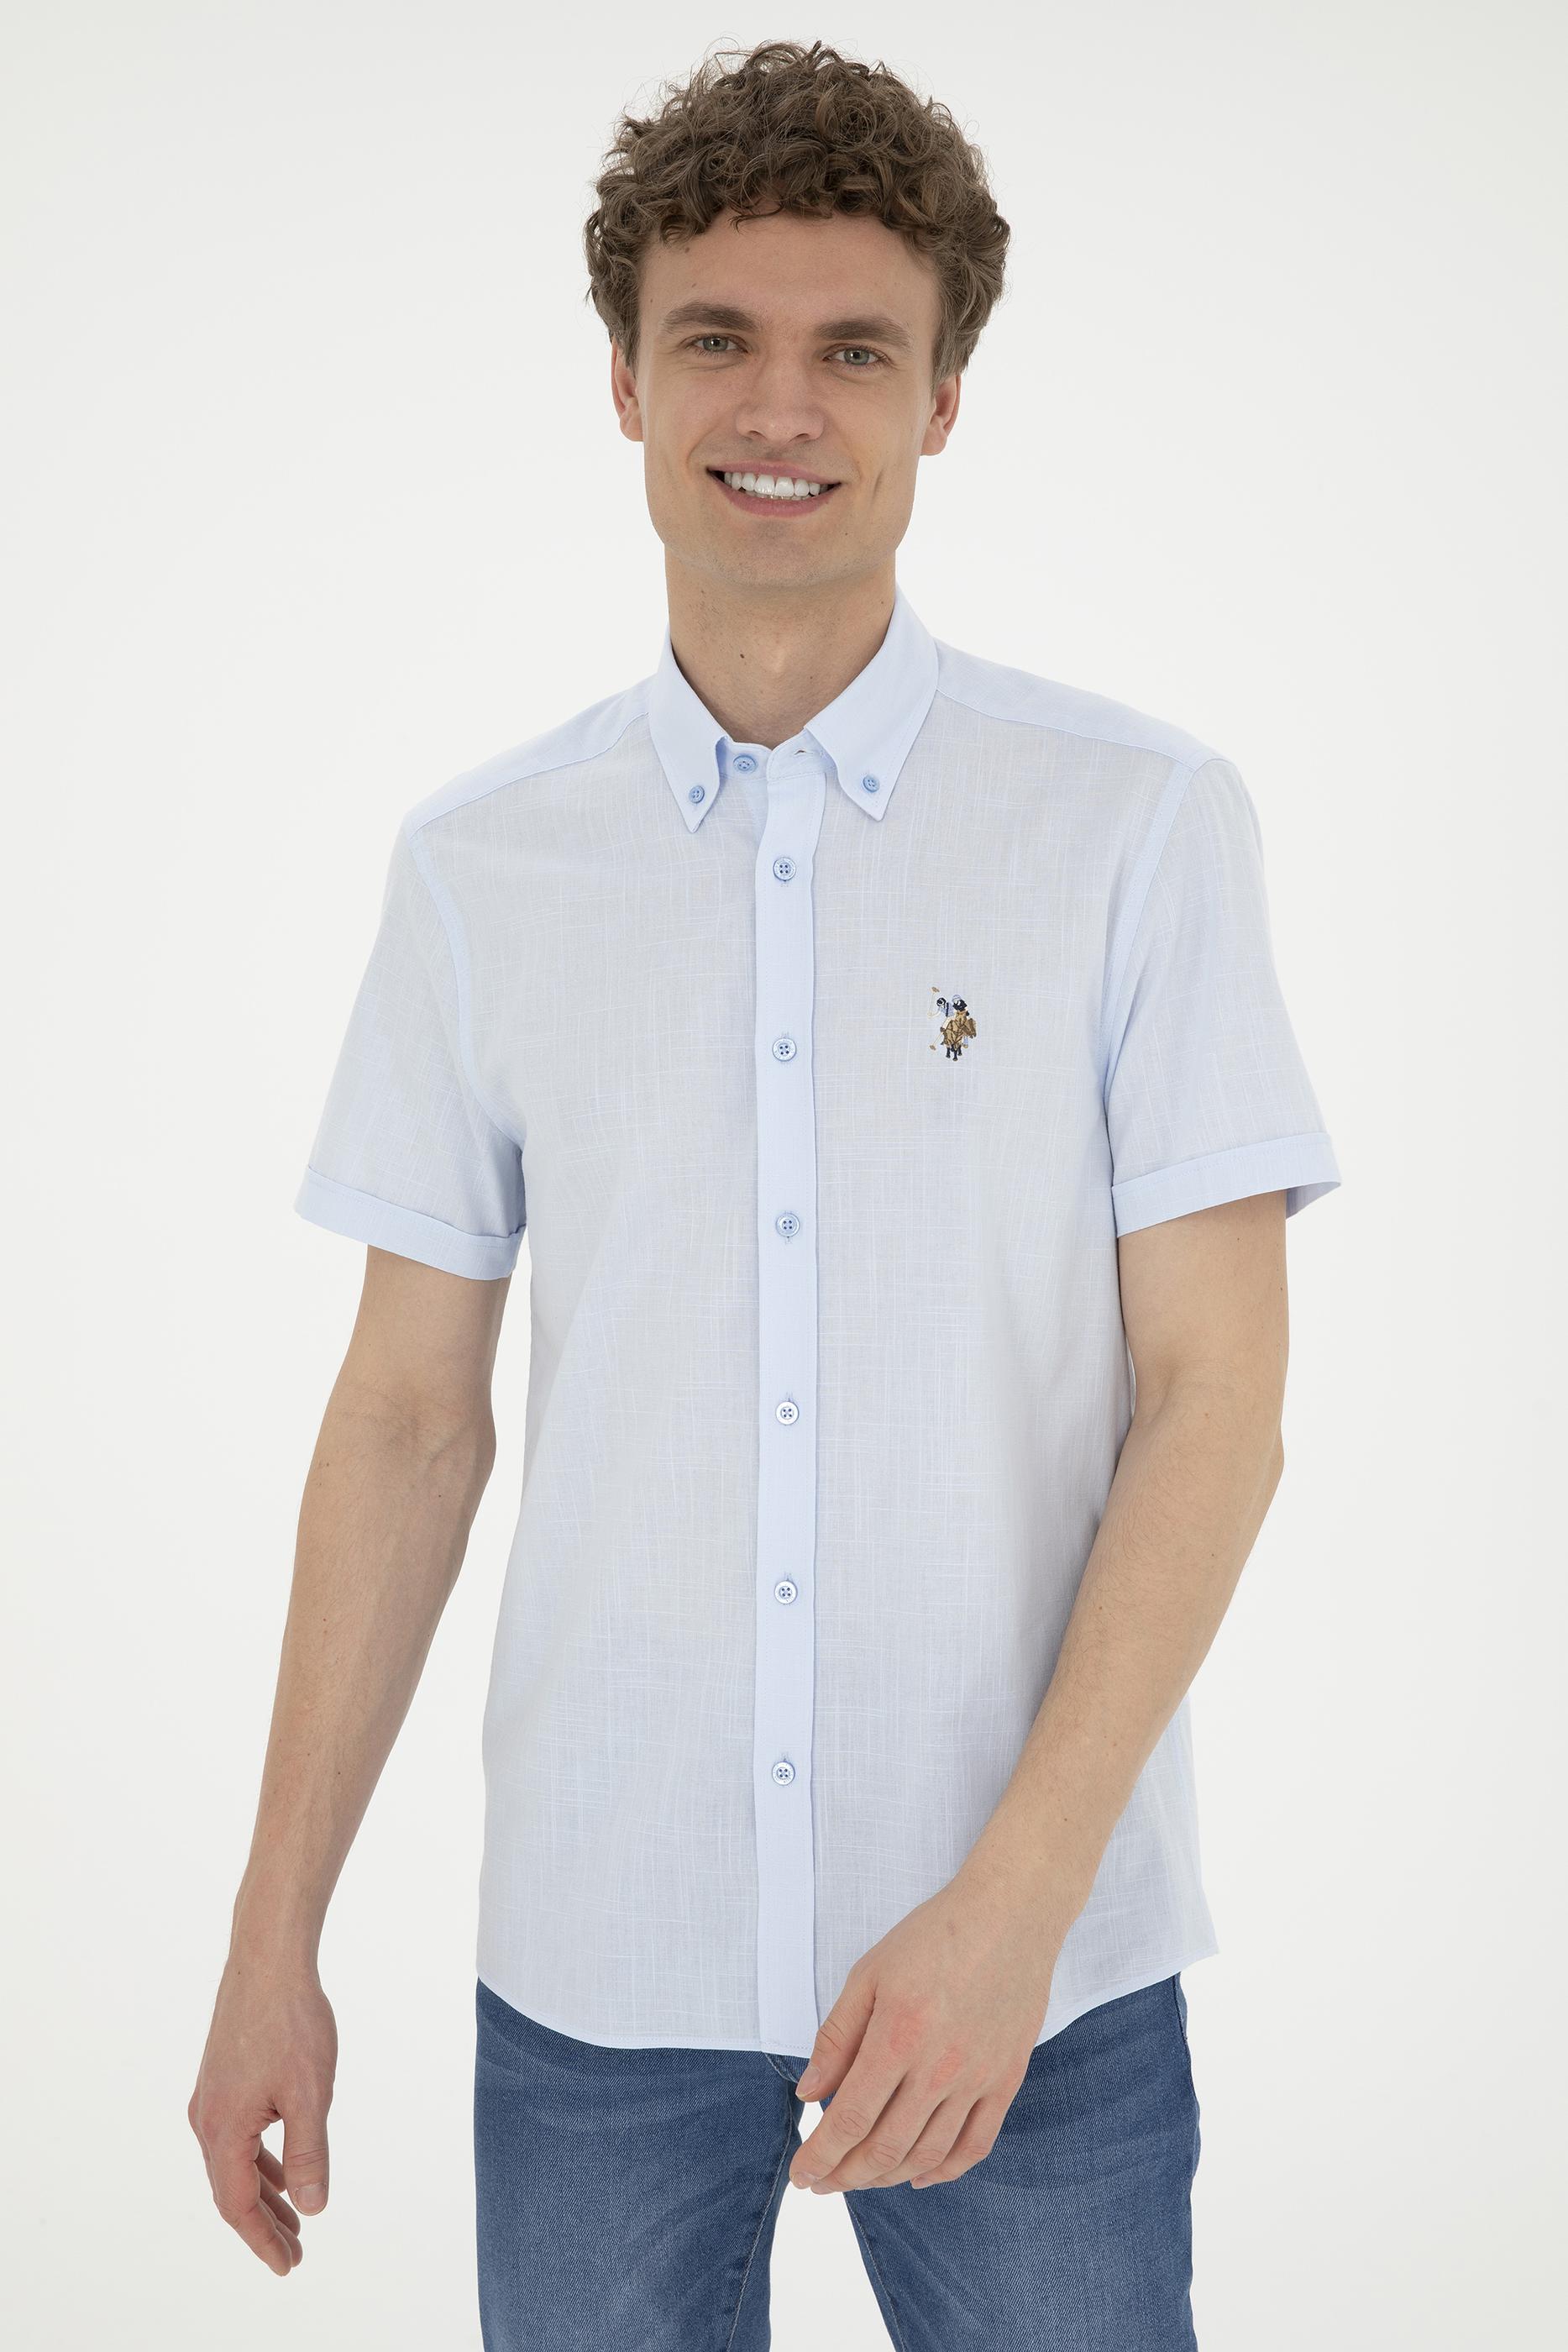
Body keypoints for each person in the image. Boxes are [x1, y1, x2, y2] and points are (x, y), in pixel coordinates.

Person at [188, 36, 1341, 2349]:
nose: (781, 406)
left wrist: (1012, 1909)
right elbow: (406, 1419)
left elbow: (1214, 1405)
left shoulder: (1134, 827)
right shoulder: (480, 869)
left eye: (856, 352)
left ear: (942, 400)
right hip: (601, 1965)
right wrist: (269, 1936)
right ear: (626, 383)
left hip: (1039, 1976)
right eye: (716, 338)